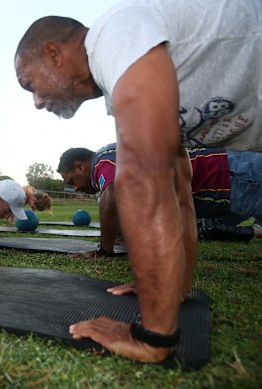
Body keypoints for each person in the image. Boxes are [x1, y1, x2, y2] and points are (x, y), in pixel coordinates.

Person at [14, 0, 262, 363]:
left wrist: (153, 335)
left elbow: (142, 179)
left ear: (52, 53)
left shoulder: (114, 36)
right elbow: (180, 189)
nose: (36, 101)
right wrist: (170, 289)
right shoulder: (122, 75)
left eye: (29, 84)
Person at [57, 144, 262, 258]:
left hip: (231, 176)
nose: (75, 187)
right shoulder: (116, 157)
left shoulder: (104, 160)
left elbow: (111, 198)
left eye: (72, 180)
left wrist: (104, 250)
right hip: (228, 182)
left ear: (80, 166)